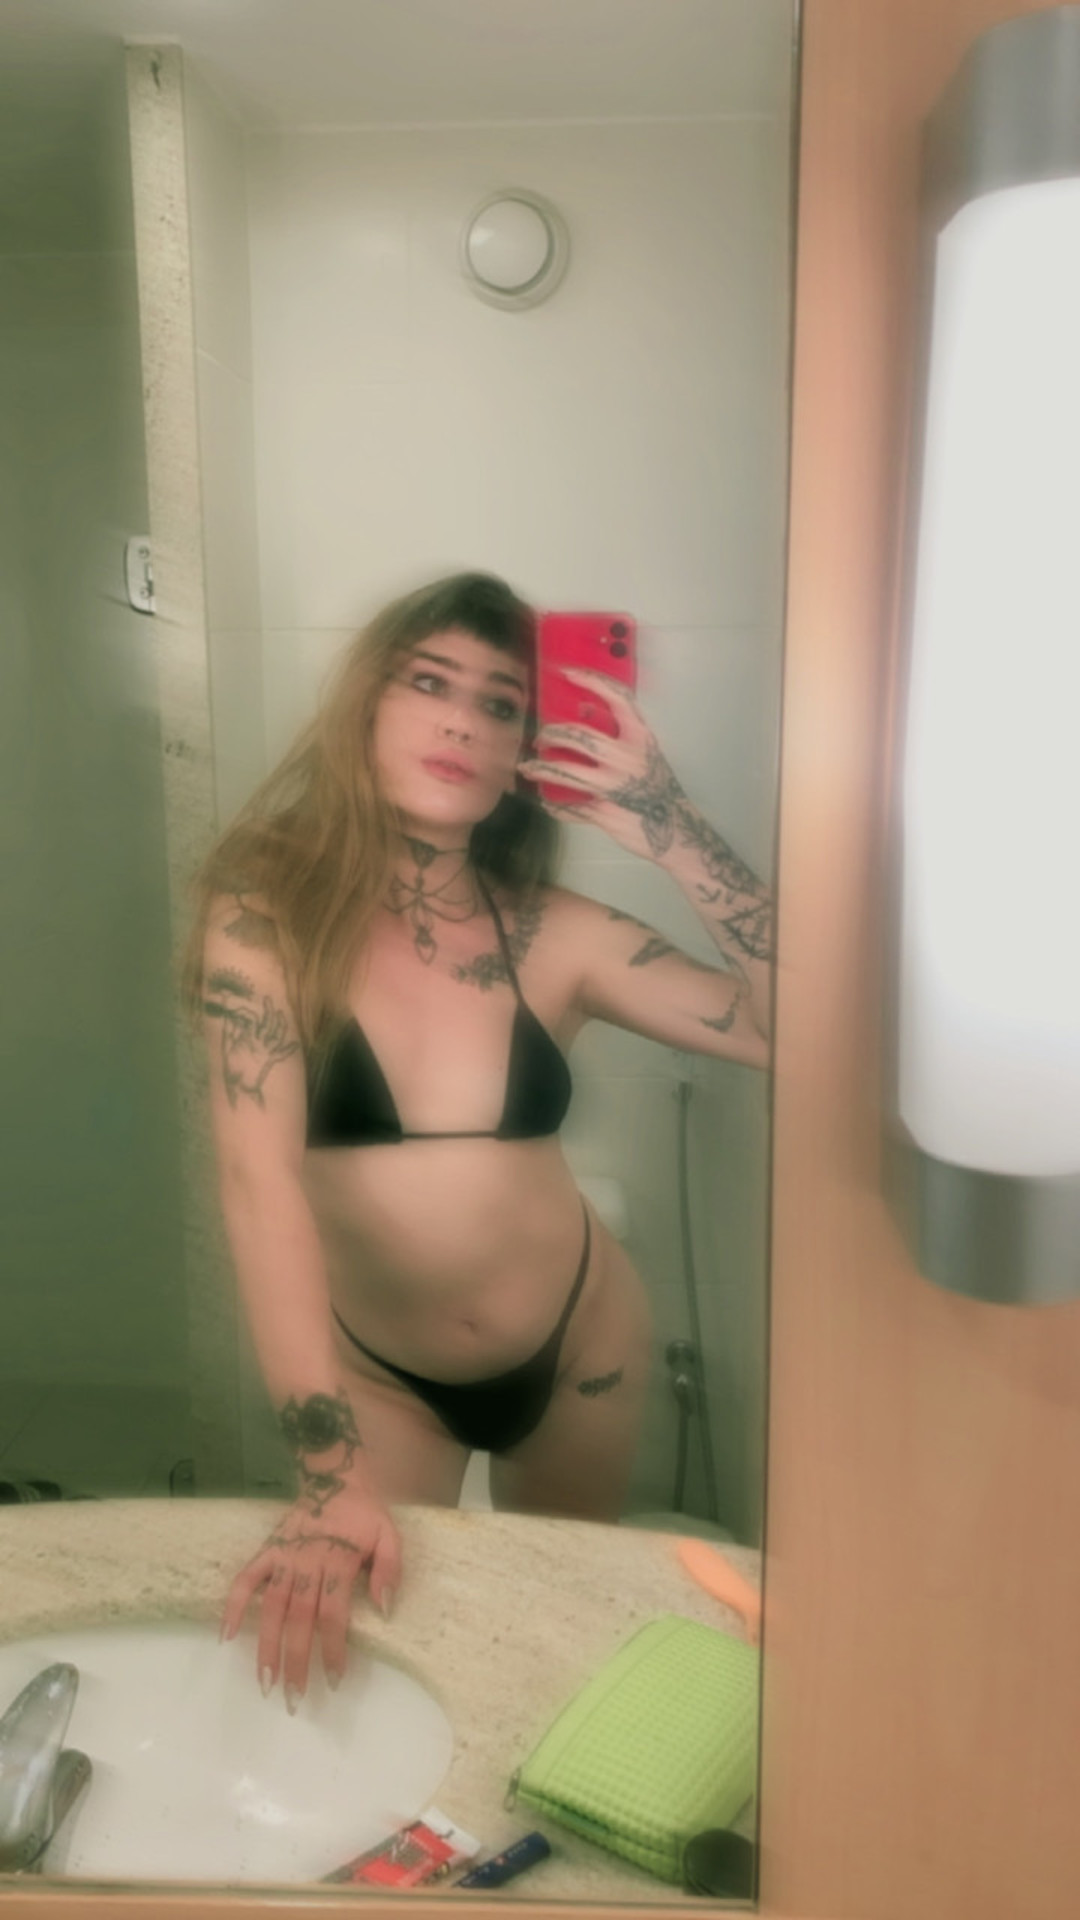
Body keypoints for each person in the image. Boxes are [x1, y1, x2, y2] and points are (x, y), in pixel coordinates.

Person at [187, 571, 771, 1711]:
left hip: (580, 1347)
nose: (462, 721)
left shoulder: (557, 933)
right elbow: (259, 1188)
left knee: (553, 1638)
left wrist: (670, 824)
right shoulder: (265, 909)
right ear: (366, 703)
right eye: (429, 683)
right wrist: (326, 1478)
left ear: (525, 751)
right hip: (382, 1377)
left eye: (502, 703)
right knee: (399, 1658)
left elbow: (799, 1030)